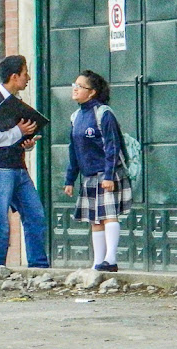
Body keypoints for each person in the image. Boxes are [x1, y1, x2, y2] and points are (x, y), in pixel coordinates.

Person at [0, 54, 50, 276]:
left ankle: (38, 267)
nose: (28, 77)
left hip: (17, 167)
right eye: (25, 73)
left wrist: (26, 142)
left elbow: (13, 137)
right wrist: (18, 132)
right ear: (14, 76)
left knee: (35, 214)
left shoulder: (14, 103)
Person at [63, 70, 132, 273]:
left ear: (92, 92)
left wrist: (109, 176)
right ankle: (98, 261)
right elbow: (73, 150)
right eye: (74, 85)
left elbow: (112, 146)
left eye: (80, 86)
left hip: (106, 173)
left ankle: (111, 259)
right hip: (89, 176)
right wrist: (70, 179)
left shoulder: (104, 113)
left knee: (109, 215)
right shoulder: (75, 117)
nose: (75, 89)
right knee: (95, 219)